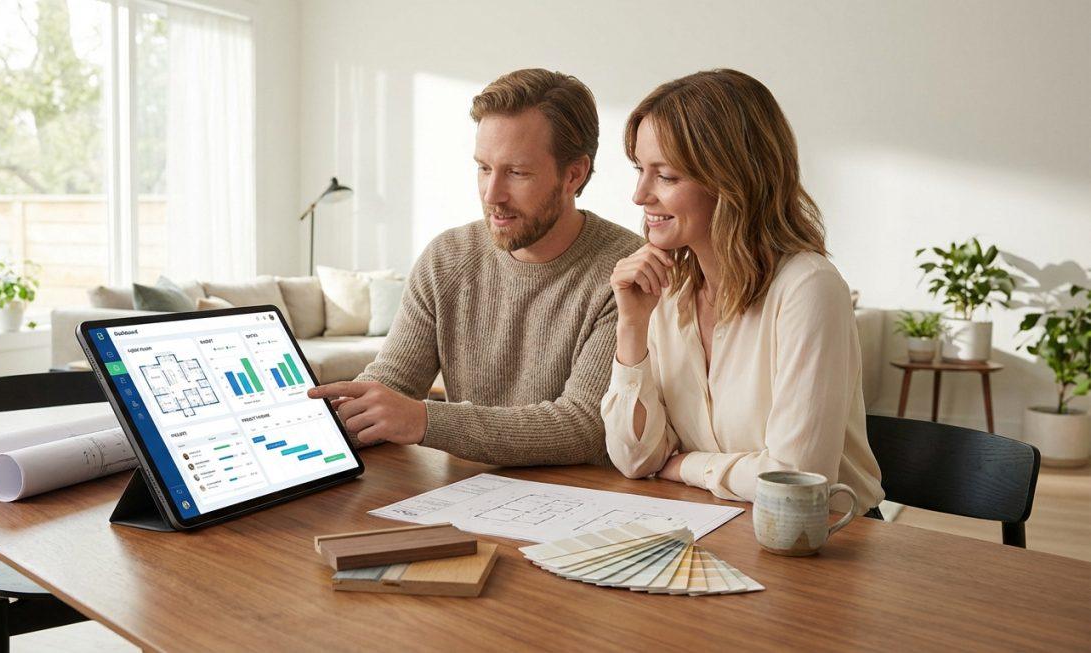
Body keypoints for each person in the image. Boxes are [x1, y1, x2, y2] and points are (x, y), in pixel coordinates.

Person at [308, 68, 643, 466]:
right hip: (463, 494)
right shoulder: (447, 257)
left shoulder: (625, 271)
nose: (491, 194)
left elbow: (583, 425)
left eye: (516, 172)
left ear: (573, 174)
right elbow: (395, 379)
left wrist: (425, 419)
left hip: (583, 503)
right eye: (484, 167)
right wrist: (325, 419)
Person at [601, 69, 883, 515]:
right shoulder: (667, 295)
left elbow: (794, 477)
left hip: (826, 541)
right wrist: (632, 325)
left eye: (667, 176)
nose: (639, 195)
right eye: (640, 169)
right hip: (713, 523)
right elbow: (636, 459)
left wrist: (687, 465)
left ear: (734, 181)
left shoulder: (809, 289)